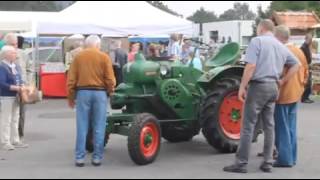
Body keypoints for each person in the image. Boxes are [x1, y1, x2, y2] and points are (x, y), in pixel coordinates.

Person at [223, 19, 300, 174]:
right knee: (269, 126)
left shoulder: (256, 41)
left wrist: (242, 87)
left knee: (247, 126)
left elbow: (251, 66)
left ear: (261, 28)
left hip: (258, 86)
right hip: (273, 87)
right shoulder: (280, 45)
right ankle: (267, 162)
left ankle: (241, 163)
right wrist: (282, 81)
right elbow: (296, 64)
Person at [67, 35, 116, 167]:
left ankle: (79, 158)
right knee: (99, 126)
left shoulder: (78, 57)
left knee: (82, 126)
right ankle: (97, 157)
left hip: (83, 93)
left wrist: (71, 97)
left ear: (86, 45)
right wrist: (110, 91)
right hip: (100, 93)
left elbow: (71, 80)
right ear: (98, 45)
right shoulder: (104, 57)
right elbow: (110, 80)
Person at [273, 25, 309, 168]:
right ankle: (292, 157)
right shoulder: (299, 51)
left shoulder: (282, 51)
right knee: (291, 127)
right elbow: (306, 72)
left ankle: (284, 159)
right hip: (295, 93)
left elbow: (278, 72)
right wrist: (300, 87)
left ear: (278, 37)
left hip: (283, 94)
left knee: (282, 127)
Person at [4, 33, 34, 139]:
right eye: (12, 44)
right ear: (6, 44)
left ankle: (19, 134)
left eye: (16, 44)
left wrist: (28, 83)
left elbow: (30, 69)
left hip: (22, 88)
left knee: (21, 113)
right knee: (7, 114)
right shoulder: (1, 55)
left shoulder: (23, 54)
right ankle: (7, 136)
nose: (15, 47)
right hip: (7, 89)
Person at [0, 45, 28, 151]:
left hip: (16, 95)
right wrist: (16, 87)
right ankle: (5, 141)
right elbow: (1, 83)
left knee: (15, 118)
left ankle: (15, 140)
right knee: (6, 119)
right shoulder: (2, 66)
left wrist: (22, 85)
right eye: (13, 53)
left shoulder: (15, 66)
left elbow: (19, 78)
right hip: (6, 96)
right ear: (6, 54)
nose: (15, 55)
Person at [301, 34, 314, 103]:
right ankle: (304, 98)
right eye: (310, 39)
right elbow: (303, 59)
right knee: (308, 83)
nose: (311, 40)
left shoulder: (307, 46)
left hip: (308, 66)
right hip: (306, 66)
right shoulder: (303, 47)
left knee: (309, 82)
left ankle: (306, 97)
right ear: (307, 39)